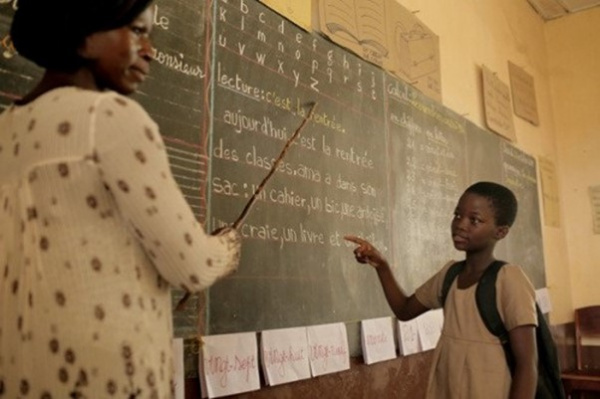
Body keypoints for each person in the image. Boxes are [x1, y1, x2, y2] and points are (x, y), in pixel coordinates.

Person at [0, 0, 241, 397]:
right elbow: (191, 266)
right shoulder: (109, 117)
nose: (150, 50)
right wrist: (227, 246)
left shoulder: (8, 127)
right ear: (84, 33)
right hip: (104, 380)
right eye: (138, 31)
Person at [345, 182, 538, 399]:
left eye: (474, 220)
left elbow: (527, 365)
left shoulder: (509, 279)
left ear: (500, 232)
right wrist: (382, 266)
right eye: (457, 215)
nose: (460, 225)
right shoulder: (450, 275)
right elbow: (404, 310)